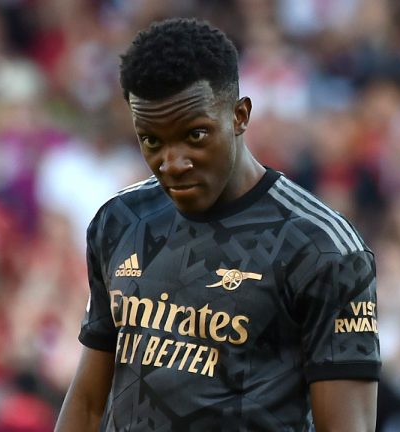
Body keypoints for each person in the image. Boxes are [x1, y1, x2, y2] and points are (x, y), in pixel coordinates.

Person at [55, 18, 380, 432]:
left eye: (195, 135)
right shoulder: (120, 221)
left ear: (240, 115)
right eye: (152, 141)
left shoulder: (322, 249)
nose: (172, 162)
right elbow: (86, 403)